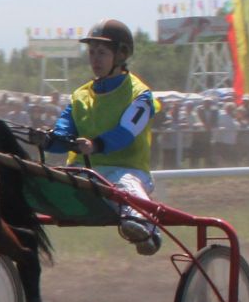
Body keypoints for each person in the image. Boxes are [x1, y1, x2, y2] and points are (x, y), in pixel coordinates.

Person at [32, 19, 163, 255]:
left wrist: (95, 145)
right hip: (83, 175)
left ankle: (146, 226)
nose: (95, 59)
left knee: (125, 184)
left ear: (121, 54)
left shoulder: (140, 95)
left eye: (101, 53)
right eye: (91, 52)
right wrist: (49, 140)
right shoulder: (79, 95)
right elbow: (64, 132)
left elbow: (126, 133)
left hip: (126, 172)